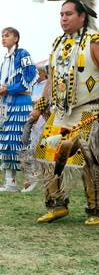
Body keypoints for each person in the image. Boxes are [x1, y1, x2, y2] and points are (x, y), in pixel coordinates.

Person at [30, 0, 99, 225]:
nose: (63, 18)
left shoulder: (95, 39)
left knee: (89, 160)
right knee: (47, 156)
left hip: (90, 110)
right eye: (61, 14)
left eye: (69, 14)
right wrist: (41, 105)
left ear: (82, 16)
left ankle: (95, 209)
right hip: (61, 112)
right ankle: (56, 205)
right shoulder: (58, 43)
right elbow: (51, 77)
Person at [0, 27, 38, 191]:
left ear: (16, 38)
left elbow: (28, 80)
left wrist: (8, 88)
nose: (3, 38)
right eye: (2, 35)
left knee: (21, 139)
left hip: (21, 101)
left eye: (7, 35)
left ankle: (31, 178)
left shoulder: (23, 54)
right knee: (6, 140)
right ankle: (11, 182)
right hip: (6, 103)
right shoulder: (5, 60)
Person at [21, 63, 48, 193]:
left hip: (44, 119)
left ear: (42, 72)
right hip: (33, 119)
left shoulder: (48, 85)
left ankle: (43, 175)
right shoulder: (34, 86)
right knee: (32, 147)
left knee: (42, 146)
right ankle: (33, 177)